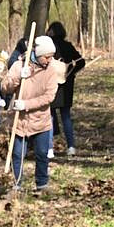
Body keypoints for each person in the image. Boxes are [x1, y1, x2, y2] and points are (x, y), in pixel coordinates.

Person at [0, 34, 68, 193]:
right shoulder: (19, 66)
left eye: (52, 56)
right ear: (38, 55)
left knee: (42, 154)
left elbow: (49, 97)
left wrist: (26, 104)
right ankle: (17, 185)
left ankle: (42, 184)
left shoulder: (51, 70)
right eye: (47, 57)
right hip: (20, 121)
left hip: (41, 120)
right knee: (17, 155)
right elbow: (4, 87)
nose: (50, 60)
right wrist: (18, 77)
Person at [45, 21, 86, 155]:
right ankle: (71, 147)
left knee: (49, 116)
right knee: (66, 117)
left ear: (51, 31)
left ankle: (49, 149)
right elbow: (81, 62)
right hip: (66, 86)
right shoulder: (67, 46)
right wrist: (70, 73)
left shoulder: (48, 47)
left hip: (51, 85)